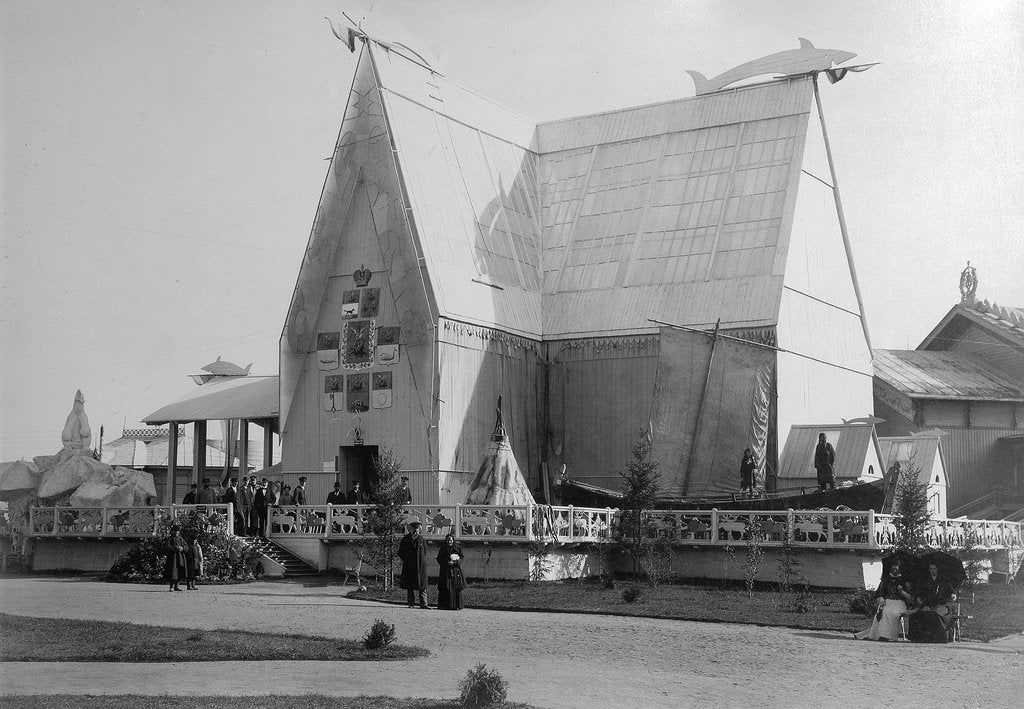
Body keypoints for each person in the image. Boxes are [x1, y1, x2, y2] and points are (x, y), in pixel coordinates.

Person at [855, 561, 913, 641]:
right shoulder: (886, 580)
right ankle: (882, 635)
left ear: (899, 569)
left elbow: (910, 597)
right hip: (887, 601)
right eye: (892, 569)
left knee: (893, 613)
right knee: (884, 611)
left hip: (899, 602)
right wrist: (881, 601)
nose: (894, 571)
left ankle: (889, 636)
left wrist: (901, 592)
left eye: (896, 569)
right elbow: (880, 593)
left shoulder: (904, 580)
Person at [909, 563, 957, 643]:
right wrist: (921, 600)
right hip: (929, 605)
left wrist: (953, 596)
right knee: (918, 614)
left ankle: (939, 638)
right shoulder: (926, 581)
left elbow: (952, 593)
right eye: (931, 569)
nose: (932, 571)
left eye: (934, 569)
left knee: (936, 614)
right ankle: (921, 638)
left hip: (942, 605)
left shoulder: (944, 581)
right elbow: (922, 594)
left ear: (937, 569)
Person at [398, 521, 430, 609]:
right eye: (414, 528)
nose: (416, 530)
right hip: (409, 566)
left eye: (417, 528)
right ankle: (411, 603)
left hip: (420, 566)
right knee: (410, 586)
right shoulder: (405, 539)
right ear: (410, 529)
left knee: (422, 586)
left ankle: (424, 603)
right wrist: (407, 560)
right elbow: (401, 552)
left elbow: (425, 551)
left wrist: (420, 559)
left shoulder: (421, 539)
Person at [436, 533, 466, 610]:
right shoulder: (443, 549)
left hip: (455, 571)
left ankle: (456, 605)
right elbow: (439, 559)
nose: (449, 542)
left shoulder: (458, 548)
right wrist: (446, 562)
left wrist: (455, 563)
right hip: (445, 571)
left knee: (456, 588)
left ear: (453, 540)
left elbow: (462, 558)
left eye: (451, 540)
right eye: (448, 540)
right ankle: (445, 605)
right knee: (445, 587)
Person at [164, 524, 188, 592]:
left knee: (180, 571)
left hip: (180, 557)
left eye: (178, 531)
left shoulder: (181, 539)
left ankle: (177, 586)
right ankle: (171, 587)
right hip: (173, 558)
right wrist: (175, 548)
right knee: (173, 572)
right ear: (172, 532)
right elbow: (167, 547)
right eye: (176, 531)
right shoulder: (169, 539)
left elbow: (186, 546)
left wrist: (183, 548)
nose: (177, 533)